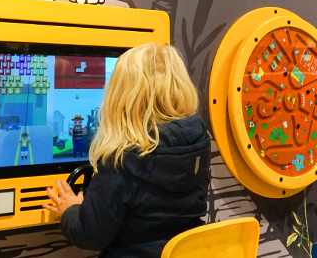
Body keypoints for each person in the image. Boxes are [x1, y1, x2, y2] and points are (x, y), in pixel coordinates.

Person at [43, 43, 211, 258]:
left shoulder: (122, 159)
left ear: (120, 97)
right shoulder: (199, 142)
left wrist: (70, 209)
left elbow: (90, 235)